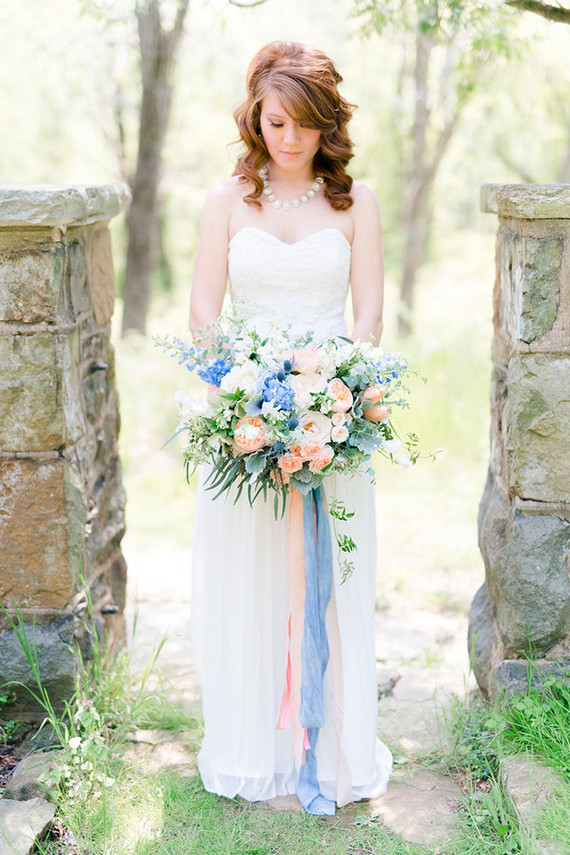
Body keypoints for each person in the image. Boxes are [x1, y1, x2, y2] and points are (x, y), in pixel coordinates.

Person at [188, 40, 392, 815]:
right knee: (249, 579)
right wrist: (247, 394)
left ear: (326, 124)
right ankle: (255, 746)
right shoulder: (226, 203)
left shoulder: (355, 203)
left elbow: (367, 316)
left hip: (333, 424)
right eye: (278, 121)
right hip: (249, 429)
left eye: (306, 123)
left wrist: (334, 392)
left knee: (332, 583)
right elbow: (203, 318)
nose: (291, 138)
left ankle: (332, 746)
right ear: (256, 119)